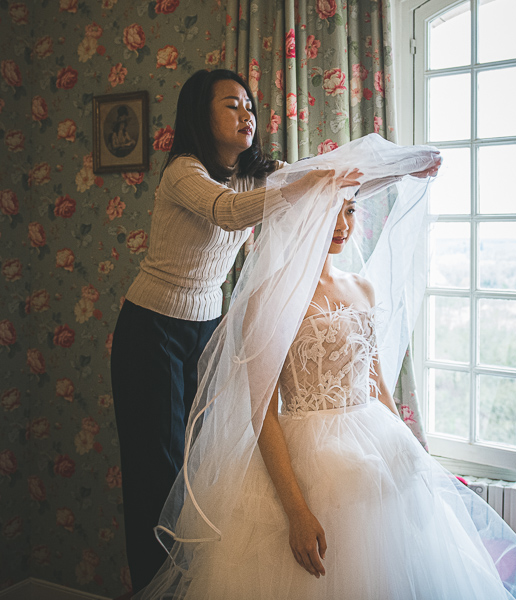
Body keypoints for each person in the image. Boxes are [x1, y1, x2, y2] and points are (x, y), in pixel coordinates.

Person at [135, 134, 516, 599]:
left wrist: (414, 455)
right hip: (306, 461)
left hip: (373, 447)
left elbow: (374, 381)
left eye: (349, 209)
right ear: (300, 212)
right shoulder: (273, 297)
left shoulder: (362, 289)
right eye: (329, 208)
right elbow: (261, 412)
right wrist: (295, 510)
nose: (341, 223)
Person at [109, 69, 364, 593]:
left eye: (250, 105)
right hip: (151, 330)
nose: (247, 114)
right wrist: (301, 183)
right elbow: (228, 213)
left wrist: (410, 168)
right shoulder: (184, 172)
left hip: (206, 328)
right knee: (155, 477)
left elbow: (335, 179)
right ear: (201, 115)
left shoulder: (257, 173)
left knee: (202, 470)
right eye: (232, 105)